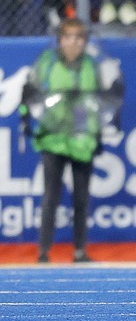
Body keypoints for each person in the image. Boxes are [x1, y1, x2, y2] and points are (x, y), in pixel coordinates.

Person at [19, 17, 124, 263]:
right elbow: (30, 93)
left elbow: (103, 101)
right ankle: (43, 252)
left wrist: (104, 123)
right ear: (60, 40)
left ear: (84, 41)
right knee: (50, 197)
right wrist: (25, 118)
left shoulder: (92, 65)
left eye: (79, 37)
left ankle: (79, 251)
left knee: (81, 197)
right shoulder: (46, 63)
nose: (73, 42)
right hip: (53, 138)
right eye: (68, 37)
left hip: (82, 139)